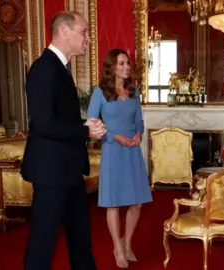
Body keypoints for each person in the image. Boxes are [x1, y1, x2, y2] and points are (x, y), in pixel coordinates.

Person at [21, 11, 105, 270]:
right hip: (50, 174)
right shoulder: (44, 68)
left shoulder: (61, 68)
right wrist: (84, 131)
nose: (88, 38)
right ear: (64, 31)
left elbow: (60, 118)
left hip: (68, 171)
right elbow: (44, 125)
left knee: (81, 240)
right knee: (43, 244)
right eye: (84, 31)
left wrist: (85, 126)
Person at [87, 48, 153, 268]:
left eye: (127, 63)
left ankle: (127, 242)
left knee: (137, 203)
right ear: (112, 67)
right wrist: (114, 136)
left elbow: (139, 120)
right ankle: (117, 247)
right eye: (122, 63)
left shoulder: (134, 91)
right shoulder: (100, 92)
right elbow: (92, 124)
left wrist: (138, 134)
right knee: (113, 203)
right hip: (113, 151)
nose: (126, 67)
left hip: (132, 151)